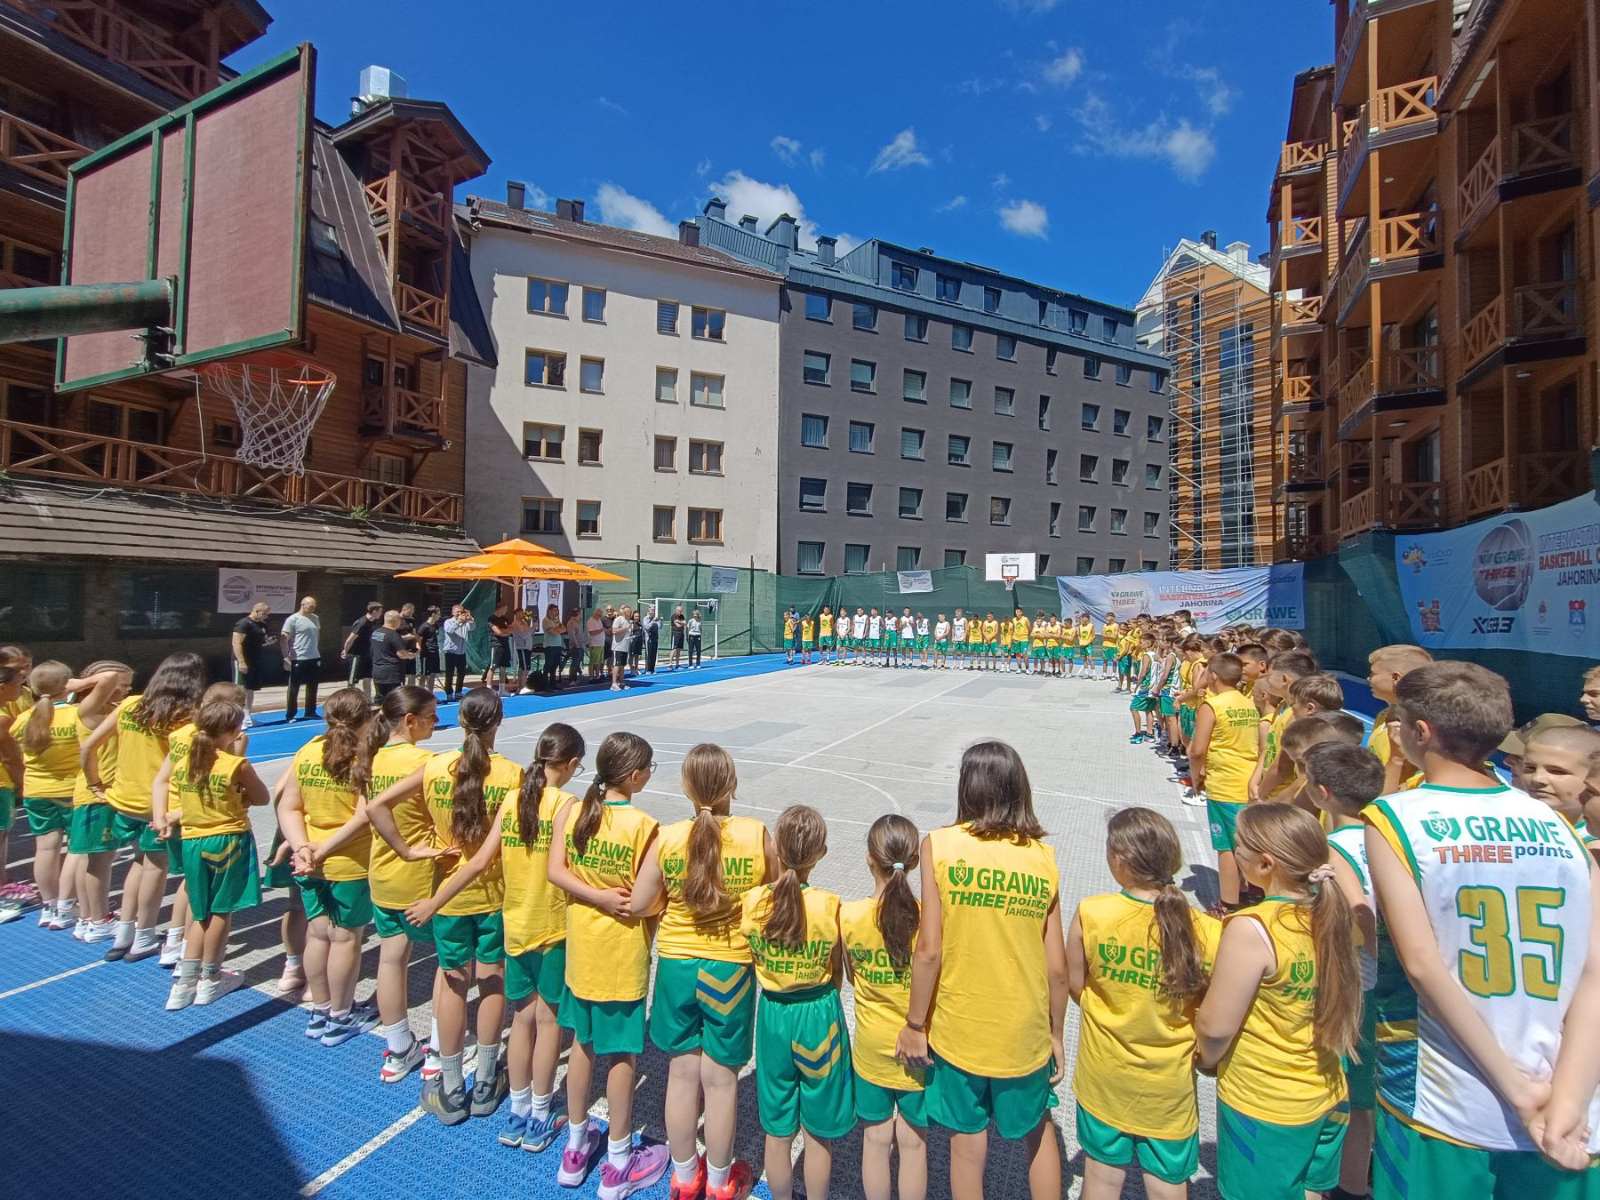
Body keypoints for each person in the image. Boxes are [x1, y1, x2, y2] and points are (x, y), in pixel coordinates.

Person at [1365, 661, 1600, 1191]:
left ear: (1419, 732)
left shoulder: (1395, 818)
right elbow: (1594, 972)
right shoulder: (1563, 827)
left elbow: (1422, 965)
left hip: (1445, 1091)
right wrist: (1567, 1100)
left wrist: (1518, 1091)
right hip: (1568, 1099)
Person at [897, 741, 1068, 1200]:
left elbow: (929, 949)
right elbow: (1057, 967)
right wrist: (1056, 1032)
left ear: (967, 788)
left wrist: (915, 1023)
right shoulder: (1042, 857)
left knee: (967, 1146)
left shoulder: (940, 846)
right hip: (1023, 1030)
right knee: (1037, 1132)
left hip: (961, 1027)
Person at [627, 744, 770, 1200]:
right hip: (730, 969)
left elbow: (641, 902)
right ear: (732, 785)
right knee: (722, 1081)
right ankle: (722, 1180)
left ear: (686, 788)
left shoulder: (669, 837)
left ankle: (686, 1177)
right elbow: (774, 898)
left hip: (677, 966)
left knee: (682, 1075)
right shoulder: (755, 835)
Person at [1195, 803, 1359, 1200]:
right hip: (1328, 1091)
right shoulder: (1332, 914)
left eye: (1240, 846)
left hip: (1266, 1101)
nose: (1235, 852)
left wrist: (1205, 1059)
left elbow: (1216, 1026)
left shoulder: (1252, 928)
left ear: (1265, 864)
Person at [1067, 808, 1219, 1200]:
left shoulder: (1093, 912)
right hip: (1168, 1087)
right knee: (1168, 1184)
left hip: (1105, 1075)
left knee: (1101, 1178)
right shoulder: (1207, 931)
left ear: (1119, 859)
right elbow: (1210, 1008)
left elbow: (1076, 985)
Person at [388, 689, 522, 1124]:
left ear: (461, 721)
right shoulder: (512, 775)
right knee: (491, 979)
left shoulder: (435, 767)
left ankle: (449, 1084)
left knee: (452, 982)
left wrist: (409, 850)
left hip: (447, 893)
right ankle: (485, 1077)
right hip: (494, 893)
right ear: (498, 721)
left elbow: (376, 806)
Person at [547, 731, 669, 1195]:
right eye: (649, 769)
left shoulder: (574, 811)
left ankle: (576, 1144)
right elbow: (646, 900)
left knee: (583, 1045)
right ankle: (618, 1157)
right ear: (635, 776)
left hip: (581, 949)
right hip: (620, 954)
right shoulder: (646, 827)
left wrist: (592, 895)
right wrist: (616, 900)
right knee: (620, 1055)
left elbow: (556, 871)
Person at [303, 685, 444, 1082]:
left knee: (390, 957)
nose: (436, 722)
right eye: (432, 717)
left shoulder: (371, 759)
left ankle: (399, 1046)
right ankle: (439, 1047)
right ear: (410, 721)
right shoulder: (428, 763)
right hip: (420, 873)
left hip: (382, 872)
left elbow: (367, 812)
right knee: (448, 963)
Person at [740, 805, 850, 1200]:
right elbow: (837, 971)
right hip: (818, 1014)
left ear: (775, 849)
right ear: (821, 854)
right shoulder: (830, 905)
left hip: (774, 1014)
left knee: (778, 1128)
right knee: (819, 1132)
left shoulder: (753, 902)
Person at [80, 651, 207, 963]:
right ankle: (145, 934)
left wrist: (95, 783)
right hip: (158, 806)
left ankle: (126, 931)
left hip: (125, 799)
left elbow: (89, 745)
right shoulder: (185, 717)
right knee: (155, 867)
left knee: (139, 862)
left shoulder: (130, 705)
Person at [1302, 742, 1386, 1200]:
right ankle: (1355, 1182)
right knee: (1365, 1097)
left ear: (1322, 793)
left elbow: (1358, 915)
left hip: (1351, 984)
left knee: (1341, 1093)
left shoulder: (1332, 852)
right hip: (1386, 986)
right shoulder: (1387, 841)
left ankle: (1335, 1180)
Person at [152, 693, 267, 1009]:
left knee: (199, 911)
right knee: (220, 911)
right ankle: (210, 977)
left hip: (193, 840)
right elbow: (262, 797)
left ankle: (184, 981)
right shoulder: (235, 765)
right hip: (227, 839)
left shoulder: (184, 762)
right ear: (233, 732)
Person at [279, 687, 378, 1046]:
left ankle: (320, 1009)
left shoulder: (308, 752)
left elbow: (288, 805)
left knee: (318, 935)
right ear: (366, 719)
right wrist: (323, 849)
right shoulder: (365, 758)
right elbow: (363, 816)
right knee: (346, 937)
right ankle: (340, 1014)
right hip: (347, 861)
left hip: (309, 860)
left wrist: (301, 846)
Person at [842, 815, 928, 1200]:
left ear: (868, 859)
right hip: (918, 1048)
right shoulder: (928, 919)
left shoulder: (850, 916)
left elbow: (850, 976)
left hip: (871, 1048)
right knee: (913, 1143)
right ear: (914, 862)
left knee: (875, 1140)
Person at [11, 662, 122, 929]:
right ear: (67, 685)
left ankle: (49, 906)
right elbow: (110, 677)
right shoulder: (75, 715)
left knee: (45, 848)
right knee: (76, 850)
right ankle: (66, 905)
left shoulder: (25, 718)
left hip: (36, 791)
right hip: (70, 791)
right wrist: (82, 683)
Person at [1190, 653, 1261, 914]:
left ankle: (1228, 903)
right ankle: (1250, 889)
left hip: (1225, 783)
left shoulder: (1212, 706)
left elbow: (1197, 750)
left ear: (1213, 676)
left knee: (1227, 848)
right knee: (1247, 841)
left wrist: (1196, 777)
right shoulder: (1248, 703)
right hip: (1248, 779)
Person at [279, 595, 322, 721]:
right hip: (298, 658)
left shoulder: (315, 618)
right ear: (303, 605)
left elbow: (317, 635)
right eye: (311, 606)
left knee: (313, 686)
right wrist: (286, 656)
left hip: (314, 657)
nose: (313, 608)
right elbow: (284, 638)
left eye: (314, 606)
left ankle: (310, 711)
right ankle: (290, 714)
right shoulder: (292, 619)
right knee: (294, 688)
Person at [230, 601, 271, 728]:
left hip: (255, 660)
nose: (266, 617)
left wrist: (268, 642)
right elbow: (236, 643)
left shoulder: (262, 625)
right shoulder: (243, 623)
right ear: (257, 611)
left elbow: (260, 641)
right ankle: (237, 720)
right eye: (265, 614)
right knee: (240, 690)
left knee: (250, 688)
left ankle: (247, 715)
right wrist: (241, 662)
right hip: (243, 660)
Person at [370, 610, 415, 700]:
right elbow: (401, 654)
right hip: (392, 674)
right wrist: (411, 655)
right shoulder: (394, 635)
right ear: (396, 621)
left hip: (378, 672)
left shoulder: (376, 633)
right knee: (394, 701)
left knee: (381, 700)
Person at [342, 601, 384, 700]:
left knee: (368, 677)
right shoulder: (362, 622)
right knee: (352, 680)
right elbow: (350, 639)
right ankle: (349, 701)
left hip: (367, 654)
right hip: (356, 655)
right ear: (374, 611)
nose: (381, 614)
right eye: (380, 611)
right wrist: (345, 651)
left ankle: (368, 700)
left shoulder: (373, 622)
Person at [441, 604, 474, 700]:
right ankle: (449, 693)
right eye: (457, 612)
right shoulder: (448, 622)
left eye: (461, 612)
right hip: (451, 651)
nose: (459, 614)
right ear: (452, 612)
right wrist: (459, 621)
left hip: (461, 651)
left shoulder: (465, 622)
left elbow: (472, 627)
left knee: (461, 673)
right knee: (449, 674)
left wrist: (470, 619)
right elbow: (449, 630)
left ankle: (458, 692)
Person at [415, 605, 443, 695]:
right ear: (433, 614)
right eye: (438, 614)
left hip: (435, 652)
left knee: (432, 674)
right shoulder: (424, 626)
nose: (440, 615)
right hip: (426, 654)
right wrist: (420, 648)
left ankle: (430, 694)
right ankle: (420, 694)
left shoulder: (435, 625)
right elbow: (418, 638)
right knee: (424, 675)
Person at [488, 606, 514, 693]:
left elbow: (511, 629)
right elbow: (498, 632)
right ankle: (488, 688)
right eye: (504, 609)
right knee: (493, 667)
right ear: (500, 608)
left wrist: (504, 632)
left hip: (505, 645)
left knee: (503, 667)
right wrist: (504, 632)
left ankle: (502, 689)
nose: (506, 611)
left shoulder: (505, 619)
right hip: (496, 645)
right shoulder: (492, 619)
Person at [511, 608, 536, 692]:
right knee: (525, 667)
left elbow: (530, 633)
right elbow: (524, 635)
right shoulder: (515, 624)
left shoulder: (524, 622)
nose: (523, 615)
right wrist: (531, 628)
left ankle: (520, 686)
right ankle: (522, 686)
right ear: (517, 614)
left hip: (527, 647)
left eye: (523, 613)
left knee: (523, 667)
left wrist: (534, 625)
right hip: (522, 647)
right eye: (521, 613)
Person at [609, 606, 634, 692]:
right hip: (618, 646)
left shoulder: (629, 621)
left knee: (622, 665)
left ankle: (621, 682)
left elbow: (628, 633)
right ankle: (614, 684)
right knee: (617, 665)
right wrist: (626, 628)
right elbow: (614, 631)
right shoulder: (619, 619)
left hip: (625, 646)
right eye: (628, 611)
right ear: (624, 612)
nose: (630, 613)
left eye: (630, 611)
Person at [542, 604, 567, 687]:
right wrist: (558, 629)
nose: (556, 612)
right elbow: (553, 632)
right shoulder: (546, 620)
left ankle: (553, 684)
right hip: (550, 646)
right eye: (554, 610)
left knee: (555, 665)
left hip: (558, 645)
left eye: (557, 610)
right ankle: (545, 685)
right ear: (549, 611)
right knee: (548, 665)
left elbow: (564, 629)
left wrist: (557, 629)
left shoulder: (556, 620)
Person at [587, 608, 608, 679]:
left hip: (601, 644)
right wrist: (602, 630)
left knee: (599, 661)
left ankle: (597, 676)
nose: (600, 616)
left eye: (601, 615)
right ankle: (591, 676)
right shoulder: (591, 621)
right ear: (595, 614)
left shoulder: (599, 620)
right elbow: (591, 632)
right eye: (599, 615)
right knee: (593, 662)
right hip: (595, 644)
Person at [642, 607, 661, 675]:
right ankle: (648, 669)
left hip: (655, 638)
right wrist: (653, 621)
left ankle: (652, 669)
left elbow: (659, 627)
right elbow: (647, 627)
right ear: (649, 611)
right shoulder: (645, 618)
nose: (653, 612)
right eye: (651, 610)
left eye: (654, 610)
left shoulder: (656, 618)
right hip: (648, 638)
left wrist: (660, 621)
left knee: (654, 654)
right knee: (649, 654)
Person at [670, 606, 687, 670]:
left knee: (679, 649)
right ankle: (670, 664)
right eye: (679, 611)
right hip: (675, 634)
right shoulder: (673, 616)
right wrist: (682, 623)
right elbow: (678, 625)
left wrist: (679, 622)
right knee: (674, 649)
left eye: (681, 611)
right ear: (676, 610)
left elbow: (685, 623)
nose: (680, 612)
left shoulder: (682, 616)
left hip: (681, 634)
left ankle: (677, 664)